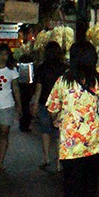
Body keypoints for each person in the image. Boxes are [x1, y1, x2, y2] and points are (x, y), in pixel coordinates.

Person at [46, 40, 99, 197]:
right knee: (90, 176)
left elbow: (52, 106)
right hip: (94, 138)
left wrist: (56, 119)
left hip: (71, 138)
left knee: (71, 176)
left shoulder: (63, 81)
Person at [30, 41, 66, 170]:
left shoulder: (42, 68)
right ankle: (59, 161)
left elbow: (38, 87)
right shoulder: (65, 68)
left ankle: (46, 158)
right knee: (59, 132)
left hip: (44, 102)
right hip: (60, 104)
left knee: (45, 131)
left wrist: (35, 103)